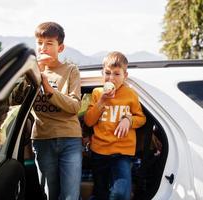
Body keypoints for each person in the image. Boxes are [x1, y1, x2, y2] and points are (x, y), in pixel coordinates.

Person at [84, 51, 146, 200]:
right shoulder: (97, 93)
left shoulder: (130, 94)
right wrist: (101, 102)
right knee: (101, 192)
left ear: (125, 75)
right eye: (107, 73)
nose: (111, 78)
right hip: (99, 151)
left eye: (116, 74)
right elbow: (88, 121)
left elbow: (141, 118)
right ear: (102, 73)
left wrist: (128, 120)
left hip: (122, 152)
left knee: (120, 192)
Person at [32, 21, 82, 200]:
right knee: (50, 194)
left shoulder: (70, 70)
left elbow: (75, 106)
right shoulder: (31, 72)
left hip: (70, 139)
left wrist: (49, 88)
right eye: (39, 43)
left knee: (70, 195)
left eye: (49, 43)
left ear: (60, 48)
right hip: (42, 138)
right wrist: (34, 74)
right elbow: (16, 100)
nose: (43, 48)